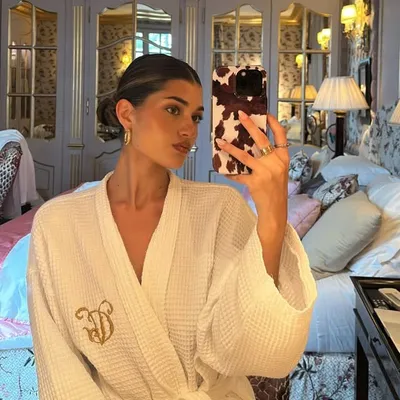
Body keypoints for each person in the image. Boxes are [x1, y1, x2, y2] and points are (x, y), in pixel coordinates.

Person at [27, 54, 317, 400]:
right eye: (173, 110)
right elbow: (60, 369)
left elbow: (253, 345)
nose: (189, 130)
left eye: (196, 117)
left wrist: (273, 211)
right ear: (126, 114)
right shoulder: (57, 223)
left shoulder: (221, 208)